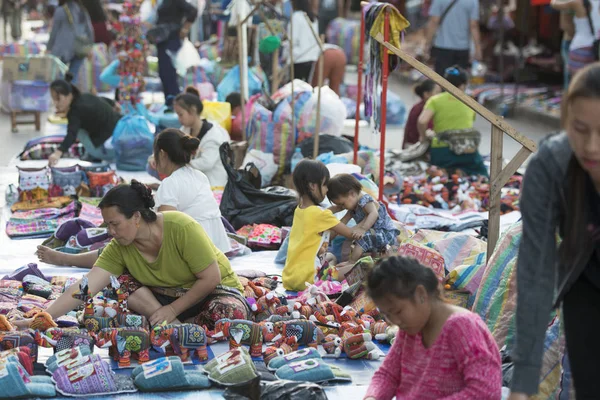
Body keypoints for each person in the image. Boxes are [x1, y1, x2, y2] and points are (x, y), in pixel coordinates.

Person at [20, 181, 247, 331]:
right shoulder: (119, 246)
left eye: (115, 224)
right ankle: (176, 326)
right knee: (119, 283)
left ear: (136, 217)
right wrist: (41, 318)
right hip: (166, 302)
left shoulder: (181, 226)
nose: (110, 231)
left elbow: (210, 278)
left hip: (210, 293)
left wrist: (172, 309)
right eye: (108, 225)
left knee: (229, 314)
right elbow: (85, 288)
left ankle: (172, 323)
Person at [507, 64, 600, 400]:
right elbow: (536, 272)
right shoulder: (550, 165)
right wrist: (523, 383)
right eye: (580, 129)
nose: (591, 146)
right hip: (586, 282)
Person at [364, 256, 502, 400]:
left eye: (398, 311)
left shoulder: (462, 327)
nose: (394, 321)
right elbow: (388, 375)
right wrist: (372, 397)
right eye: (387, 315)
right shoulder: (410, 329)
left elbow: (486, 392)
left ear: (420, 294)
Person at [153, 128, 232, 253]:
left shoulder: (169, 183)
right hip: (219, 248)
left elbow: (165, 227)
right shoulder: (200, 176)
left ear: (162, 154)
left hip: (198, 252)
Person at [282, 160, 354, 291]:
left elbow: (327, 237)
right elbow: (350, 234)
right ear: (312, 186)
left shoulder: (300, 209)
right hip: (309, 280)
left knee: (331, 257)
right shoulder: (320, 214)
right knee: (360, 267)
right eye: (325, 185)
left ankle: (326, 274)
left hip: (291, 278)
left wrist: (334, 210)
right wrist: (349, 214)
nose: (327, 190)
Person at [417, 66, 488, 176]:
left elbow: (422, 121)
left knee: (437, 177)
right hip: (466, 150)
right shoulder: (470, 101)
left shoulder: (435, 100)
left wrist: (423, 137)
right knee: (481, 175)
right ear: (464, 85)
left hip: (442, 151)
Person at [47, 75, 122, 166]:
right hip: (122, 141)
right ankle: (93, 154)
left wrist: (58, 153)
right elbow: (105, 101)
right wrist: (114, 104)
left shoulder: (75, 111)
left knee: (79, 130)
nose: (55, 104)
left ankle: (94, 155)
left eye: (58, 99)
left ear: (69, 95)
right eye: (54, 100)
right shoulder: (86, 97)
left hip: (110, 151)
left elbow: (71, 134)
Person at [327, 174, 400, 262]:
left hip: (385, 232)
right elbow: (343, 221)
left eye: (342, 204)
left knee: (363, 238)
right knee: (350, 238)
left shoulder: (365, 200)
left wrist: (363, 229)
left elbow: (374, 213)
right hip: (374, 232)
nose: (343, 207)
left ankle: (351, 262)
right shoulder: (353, 207)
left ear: (352, 194)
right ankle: (346, 260)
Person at [173, 87, 230, 187]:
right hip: (193, 180)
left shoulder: (213, 135)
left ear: (193, 110)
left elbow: (206, 163)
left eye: (181, 114)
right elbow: (174, 145)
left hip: (213, 184)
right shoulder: (185, 129)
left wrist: (179, 164)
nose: (179, 119)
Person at [155, 0, 198, 108]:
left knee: (168, 72)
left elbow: (193, 11)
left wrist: (185, 28)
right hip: (162, 40)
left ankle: (174, 103)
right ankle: (170, 102)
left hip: (171, 39)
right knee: (164, 73)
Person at [424, 0, 482, 75]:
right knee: (458, 81)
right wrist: (477, 48)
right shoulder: (472, 1)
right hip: (463, 49)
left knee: (442, 80)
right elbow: (473, 25)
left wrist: (427, 44)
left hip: (443, 47)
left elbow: (434, 21)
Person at [47, 0, 94, 82]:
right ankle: (70, 92)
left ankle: (62, 92)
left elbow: (54, 32)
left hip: (62, 49)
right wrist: (90, 47)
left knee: (60, 75)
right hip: (80, 48)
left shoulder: (60, 11)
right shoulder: (82, 11)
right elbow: (90, 30)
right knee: (73, 76)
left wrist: (49, 47)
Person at [551, 0, 600, 78]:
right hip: (596, 48)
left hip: (580, 47)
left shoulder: (577, 2)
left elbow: (554, 4)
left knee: (577, 82)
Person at [289, 0, 320, 82]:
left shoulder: (296, 17)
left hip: (298, 57)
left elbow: (293, 39)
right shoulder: (313, 17)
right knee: (306, 85)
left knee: (297, 87)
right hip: (312, 57)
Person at [403, 79, 439, 149]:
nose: (439, 96)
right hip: (415, 147)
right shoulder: (422, 109)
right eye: (437, 92)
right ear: (426, 94)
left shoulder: (419, 107)